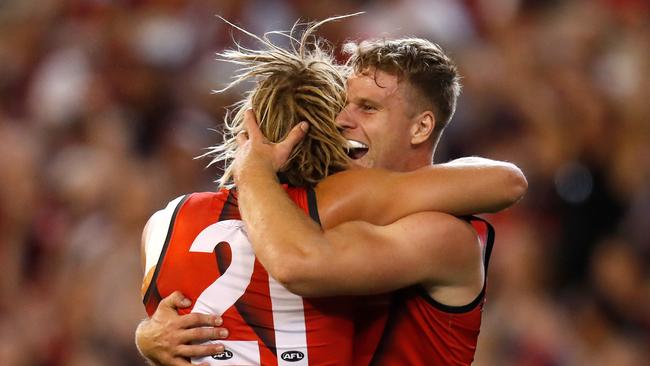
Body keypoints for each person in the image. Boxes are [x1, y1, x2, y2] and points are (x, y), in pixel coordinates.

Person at [136, 20, 526, 366]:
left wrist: (252, 167)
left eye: (367, 108)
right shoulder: (315, 211)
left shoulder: (441, 234)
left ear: (421, 128)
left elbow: (298, 264)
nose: (342, 121)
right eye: (341, 105)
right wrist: (151, 338)